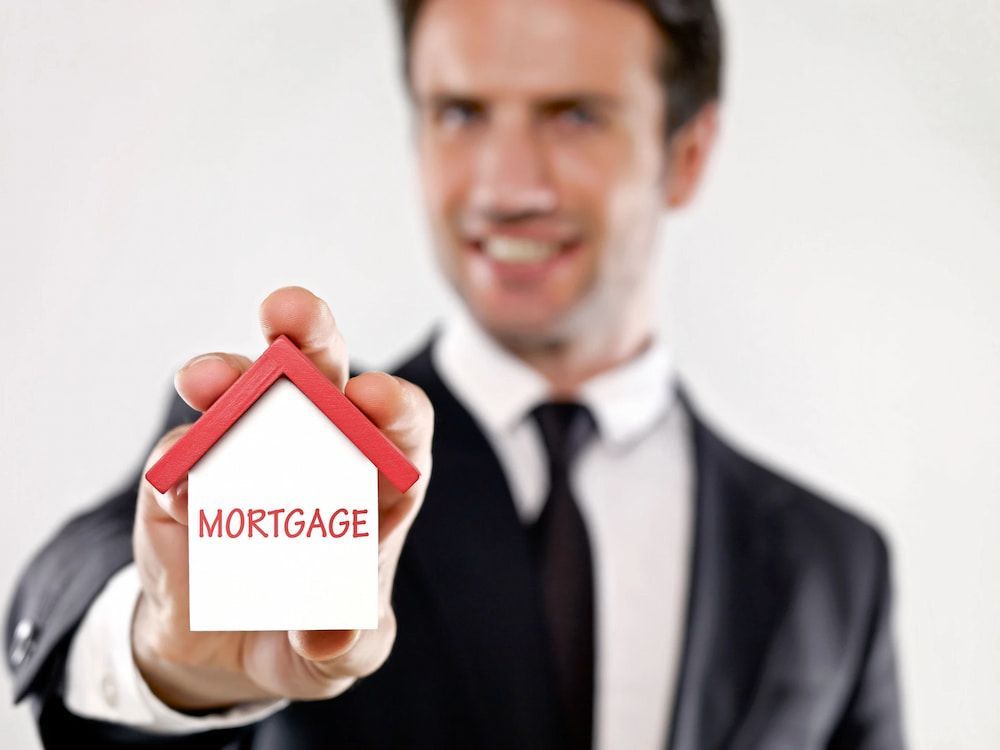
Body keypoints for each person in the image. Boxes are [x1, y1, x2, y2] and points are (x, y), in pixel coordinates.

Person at [5, 0, 905, 748]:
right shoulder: (291, 458)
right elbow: (85, 575)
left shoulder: (838, 569)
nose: (507, 184)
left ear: (689, 153)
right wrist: (172, 665)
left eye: (575, 114)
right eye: (461, 113)